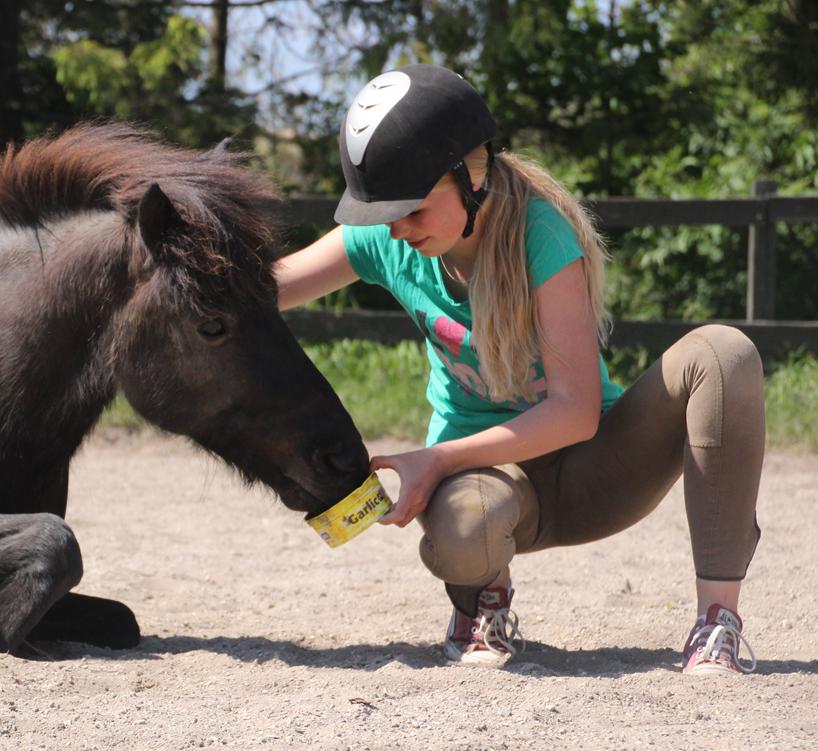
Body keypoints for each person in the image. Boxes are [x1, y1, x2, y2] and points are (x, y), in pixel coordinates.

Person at [276, 63, 764, 675]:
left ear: (469, 177)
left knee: (723, 353)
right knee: (461, 532)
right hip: (487, 482)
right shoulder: (388, 241)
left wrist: (437, 459)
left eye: (413, 210)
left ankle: (715, 624)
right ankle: (483, 602)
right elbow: (269, 287)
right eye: (385, 215)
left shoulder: (541, 235)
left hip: (594, 469)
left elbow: (577, 411)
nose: (397, 229)